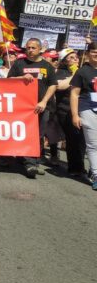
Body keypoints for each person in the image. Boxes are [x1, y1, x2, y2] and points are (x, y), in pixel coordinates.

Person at [8, 37, 58, 179]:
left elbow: (53, 85)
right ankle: (29, 163)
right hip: (22, 106)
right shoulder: (19, 64)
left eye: (33, 48)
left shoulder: (47, 66)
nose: (29, 50)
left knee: (38, 135)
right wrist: (21, 78)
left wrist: (43, 101)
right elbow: (8, 80)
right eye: (28, 48)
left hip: (41, 106)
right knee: (24, 133)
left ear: (40, 49)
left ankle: (33, 162)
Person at [70, 41, 97, 190]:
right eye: (94, 51)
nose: (96, 54)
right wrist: (75, 115)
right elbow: (74, 94)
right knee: (93, 145)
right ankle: (96, 174)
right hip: (88, 110)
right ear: (88, 54)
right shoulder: (82, 72)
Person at [55, 48, 86, 177]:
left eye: (76, 57)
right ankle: (74, 167)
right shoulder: (60, 72)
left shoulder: (83, 71)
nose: (75, 59)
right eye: (71, 57)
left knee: (83, 140)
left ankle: (80, 166)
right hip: (65, 109)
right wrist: (75, 75)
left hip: (82, 109)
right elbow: (59, 86)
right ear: (64, 61)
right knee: (73, 139)